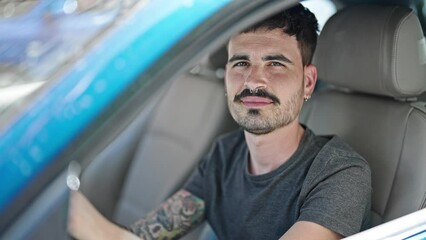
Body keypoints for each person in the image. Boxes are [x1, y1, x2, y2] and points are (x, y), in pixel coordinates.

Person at [68, 4, 371, 240]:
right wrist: (71, 211)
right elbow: (146, 235)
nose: (253, 80)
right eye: (241, 63)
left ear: (307, 82)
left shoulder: (339, 172)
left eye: (275, 64)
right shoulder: (223, 156)